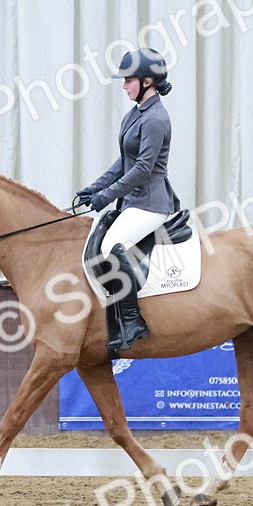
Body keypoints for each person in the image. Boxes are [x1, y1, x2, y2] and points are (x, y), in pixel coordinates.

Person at [76, 47, 181, 352]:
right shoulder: (134, 115)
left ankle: (132, 320)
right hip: (134, 201)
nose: (124, 85)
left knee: (110, 247)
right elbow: (123, 162)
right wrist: (92, 190)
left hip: (151, 203)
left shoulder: (156, 119)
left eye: (129, 80)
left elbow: (142, 170)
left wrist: (106, 197)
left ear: (147, 81)